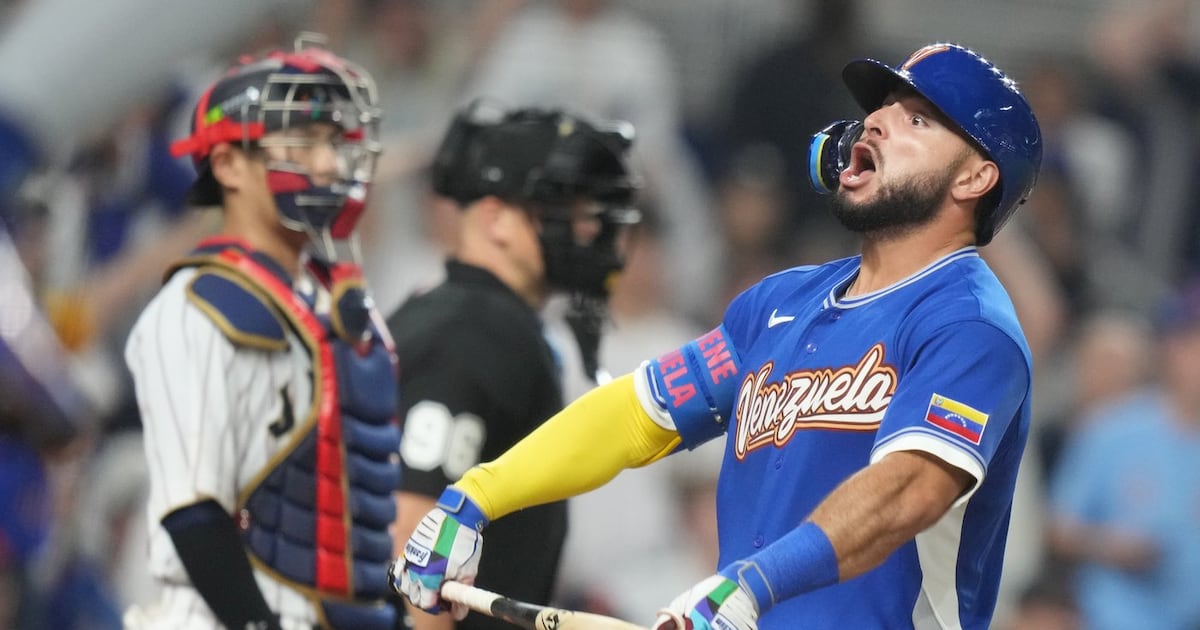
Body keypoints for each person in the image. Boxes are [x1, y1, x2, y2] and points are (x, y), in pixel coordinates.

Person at [392, 41, 1042, 630]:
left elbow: (909, 489)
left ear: (973, 178)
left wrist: (753, 584)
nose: (875, 122)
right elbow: (636, 414)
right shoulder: (780, 302)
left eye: (918, 120)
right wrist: (473, 497)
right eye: (882, 109)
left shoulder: (969, 324)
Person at [123, 35, 402, 630]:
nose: (328, 165)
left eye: (332, 143)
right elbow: (192, 512)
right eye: (301, 142)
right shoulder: (194, 308)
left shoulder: (338, 299)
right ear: (227, 164)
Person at [386, 101, 642, 630]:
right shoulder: (473, 332)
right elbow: (412, 541)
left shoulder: (472, 316)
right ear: (495, 218)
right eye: (564, 209)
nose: (589, 229)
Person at [1046, 281, 1200, 630]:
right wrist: (1111, 546)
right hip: (1112, 617)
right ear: (1173, 349)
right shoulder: (1112, 428)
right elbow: (1057, 528)